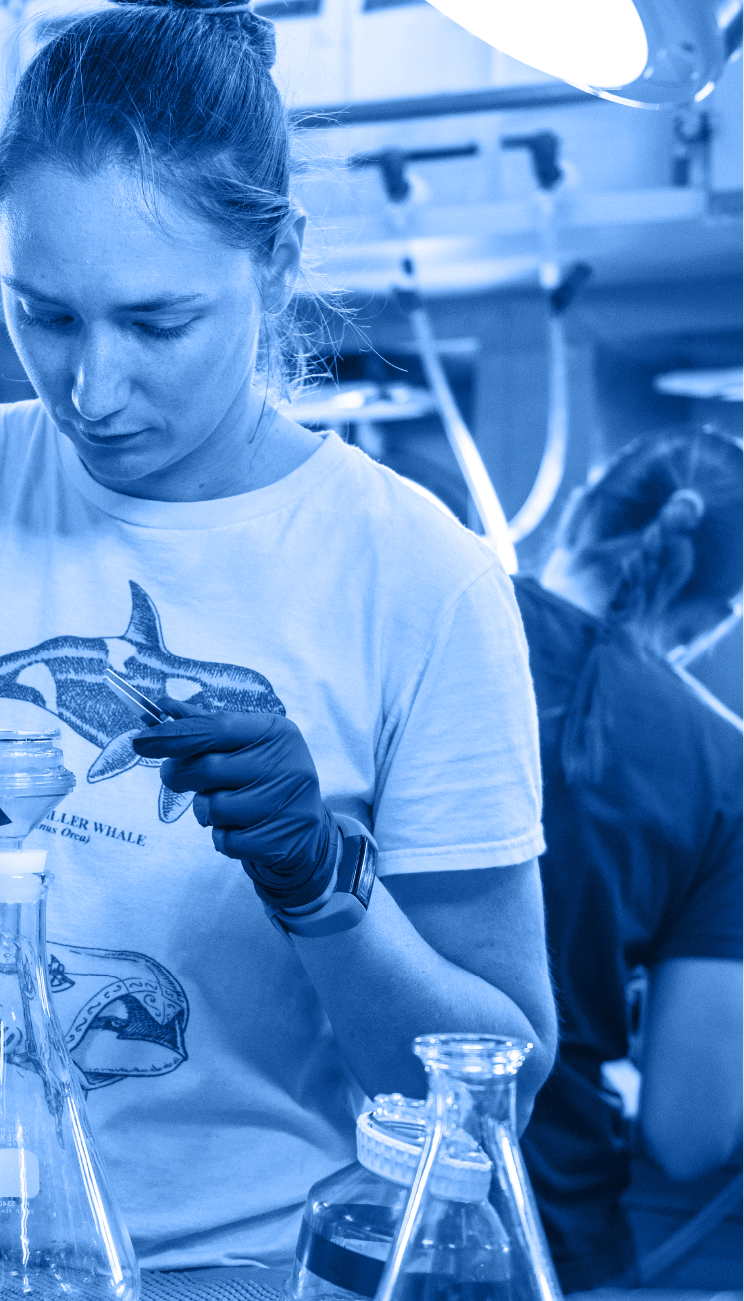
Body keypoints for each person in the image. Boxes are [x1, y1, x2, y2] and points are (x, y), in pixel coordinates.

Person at [0, 0, 557, 1275]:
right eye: (44, 313)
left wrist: (325, 887)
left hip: (235, 1263)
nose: (92, 389)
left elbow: (500, 1087)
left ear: (280, 259)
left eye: (155, 323)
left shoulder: (418, 578)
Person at [512, 429, 744, 1292]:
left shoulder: (440, 617)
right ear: (721, 613)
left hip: (337, 1191)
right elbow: (690, 1134)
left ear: (578, 514)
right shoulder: (723, 767)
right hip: (547, 1237)